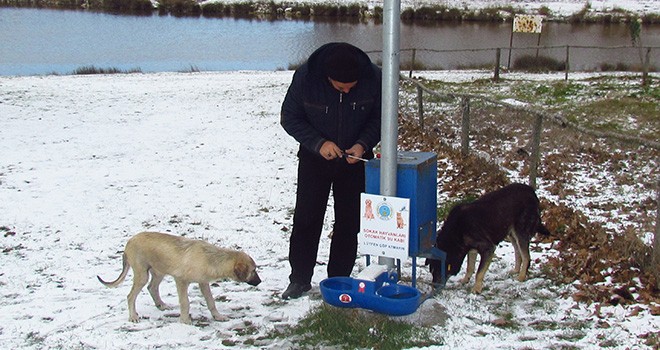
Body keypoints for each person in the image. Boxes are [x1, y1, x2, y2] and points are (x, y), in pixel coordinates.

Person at [279, 42, 382, 299]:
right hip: (315, 160)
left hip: (355, 161)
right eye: (340, 88)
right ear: (327, 78)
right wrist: (318, 143)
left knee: (349, 223)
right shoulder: (306, 78)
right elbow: (290, 117)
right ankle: (299, 279)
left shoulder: (374, 78)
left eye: (352, 87)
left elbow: (381, 118)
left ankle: (338, 280)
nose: (347, 91)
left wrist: (362, 144)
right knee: (306, 219)